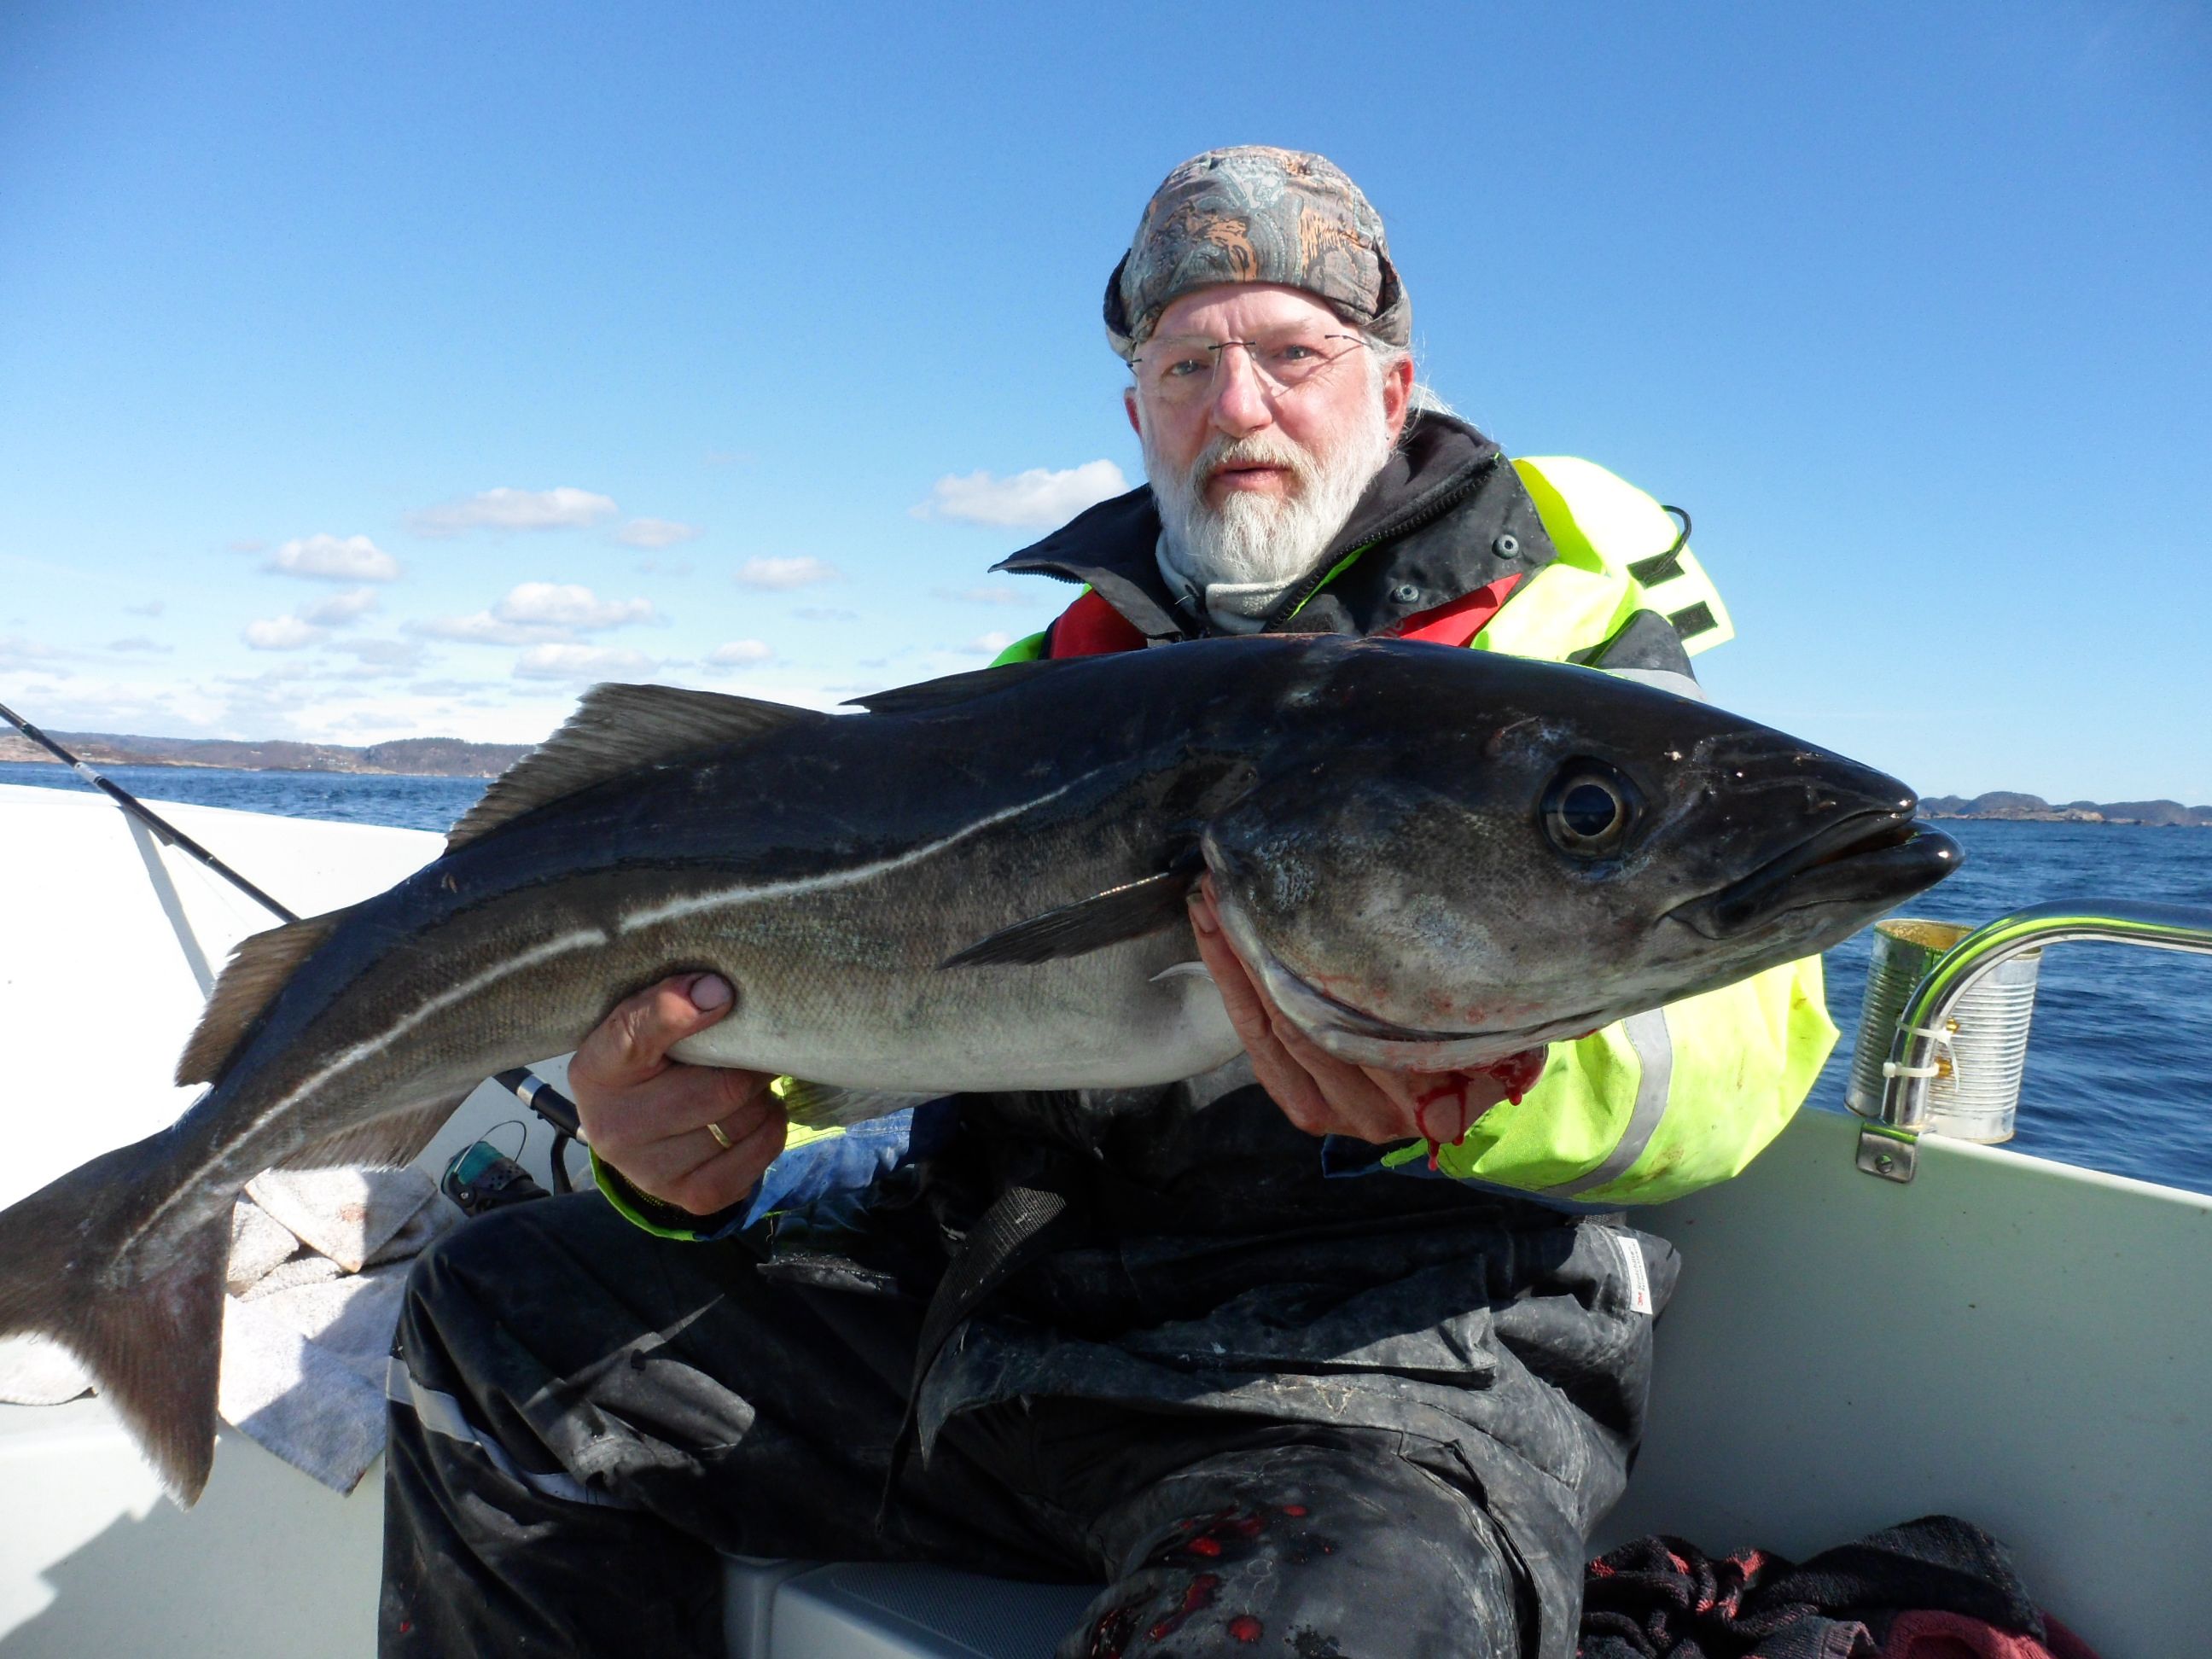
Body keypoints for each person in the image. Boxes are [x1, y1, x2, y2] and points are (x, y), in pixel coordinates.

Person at [380, 147, 1836, 1659]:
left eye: (1292, 353)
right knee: (502, 1311)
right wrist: (670, 1149)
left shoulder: (1569, 666)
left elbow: (1744, 1049)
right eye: (1188, 361)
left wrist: (1497, 1082)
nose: (1240, 404)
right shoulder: (1053, 687)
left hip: (1383, 1393)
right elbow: (858, 1037)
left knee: (1342, 1619)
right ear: (1138, 410)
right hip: (993, 1335)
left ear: (1392, 393)